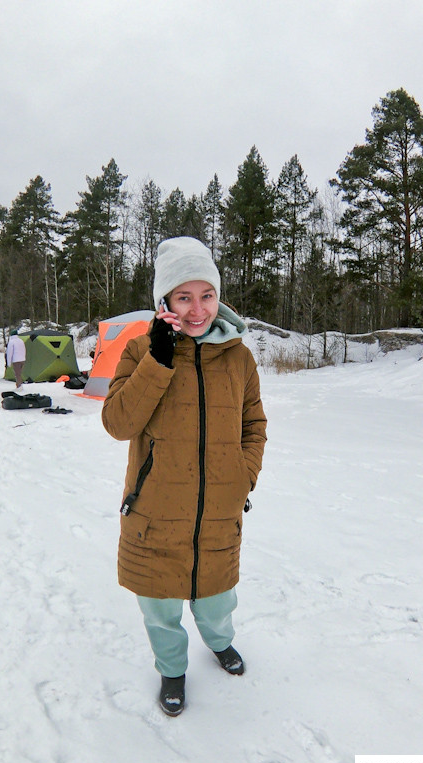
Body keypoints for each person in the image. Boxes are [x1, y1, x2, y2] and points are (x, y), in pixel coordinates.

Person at [102, 236, 267, 716]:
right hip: (154, 509)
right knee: (160, 606)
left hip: (218, 508)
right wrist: (157, 358)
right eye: (184, 297)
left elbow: (253, 424)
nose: (198, 309)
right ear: (164, 303)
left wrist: (243, 474)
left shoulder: (238, 356)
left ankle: (219, 642)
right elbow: (118, 423)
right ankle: (172, 670)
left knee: (217, 596)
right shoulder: (139, 352)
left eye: (207, 295)